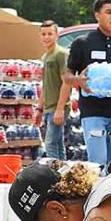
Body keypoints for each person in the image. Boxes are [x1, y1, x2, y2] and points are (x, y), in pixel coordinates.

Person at [66, 0, 111, 172]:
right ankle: (97, 198)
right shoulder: (83, 43)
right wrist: (78, 80)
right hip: (93, 111)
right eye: (109, 12)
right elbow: (66, 76)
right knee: (98, 163)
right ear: (97, 15)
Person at [41, 20, 69, 159]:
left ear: (57, 35)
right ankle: (61, 172)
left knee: (50, 143)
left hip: (57, 107)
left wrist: (60, 108)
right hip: (48, 107)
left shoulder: (61, 54)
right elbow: (44, 83)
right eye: (44, 34)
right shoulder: (45, 57)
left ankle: (53, 171)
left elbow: (66, 82)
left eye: (50, 34)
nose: (47, 37)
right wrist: (39, 108)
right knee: (57, 143)